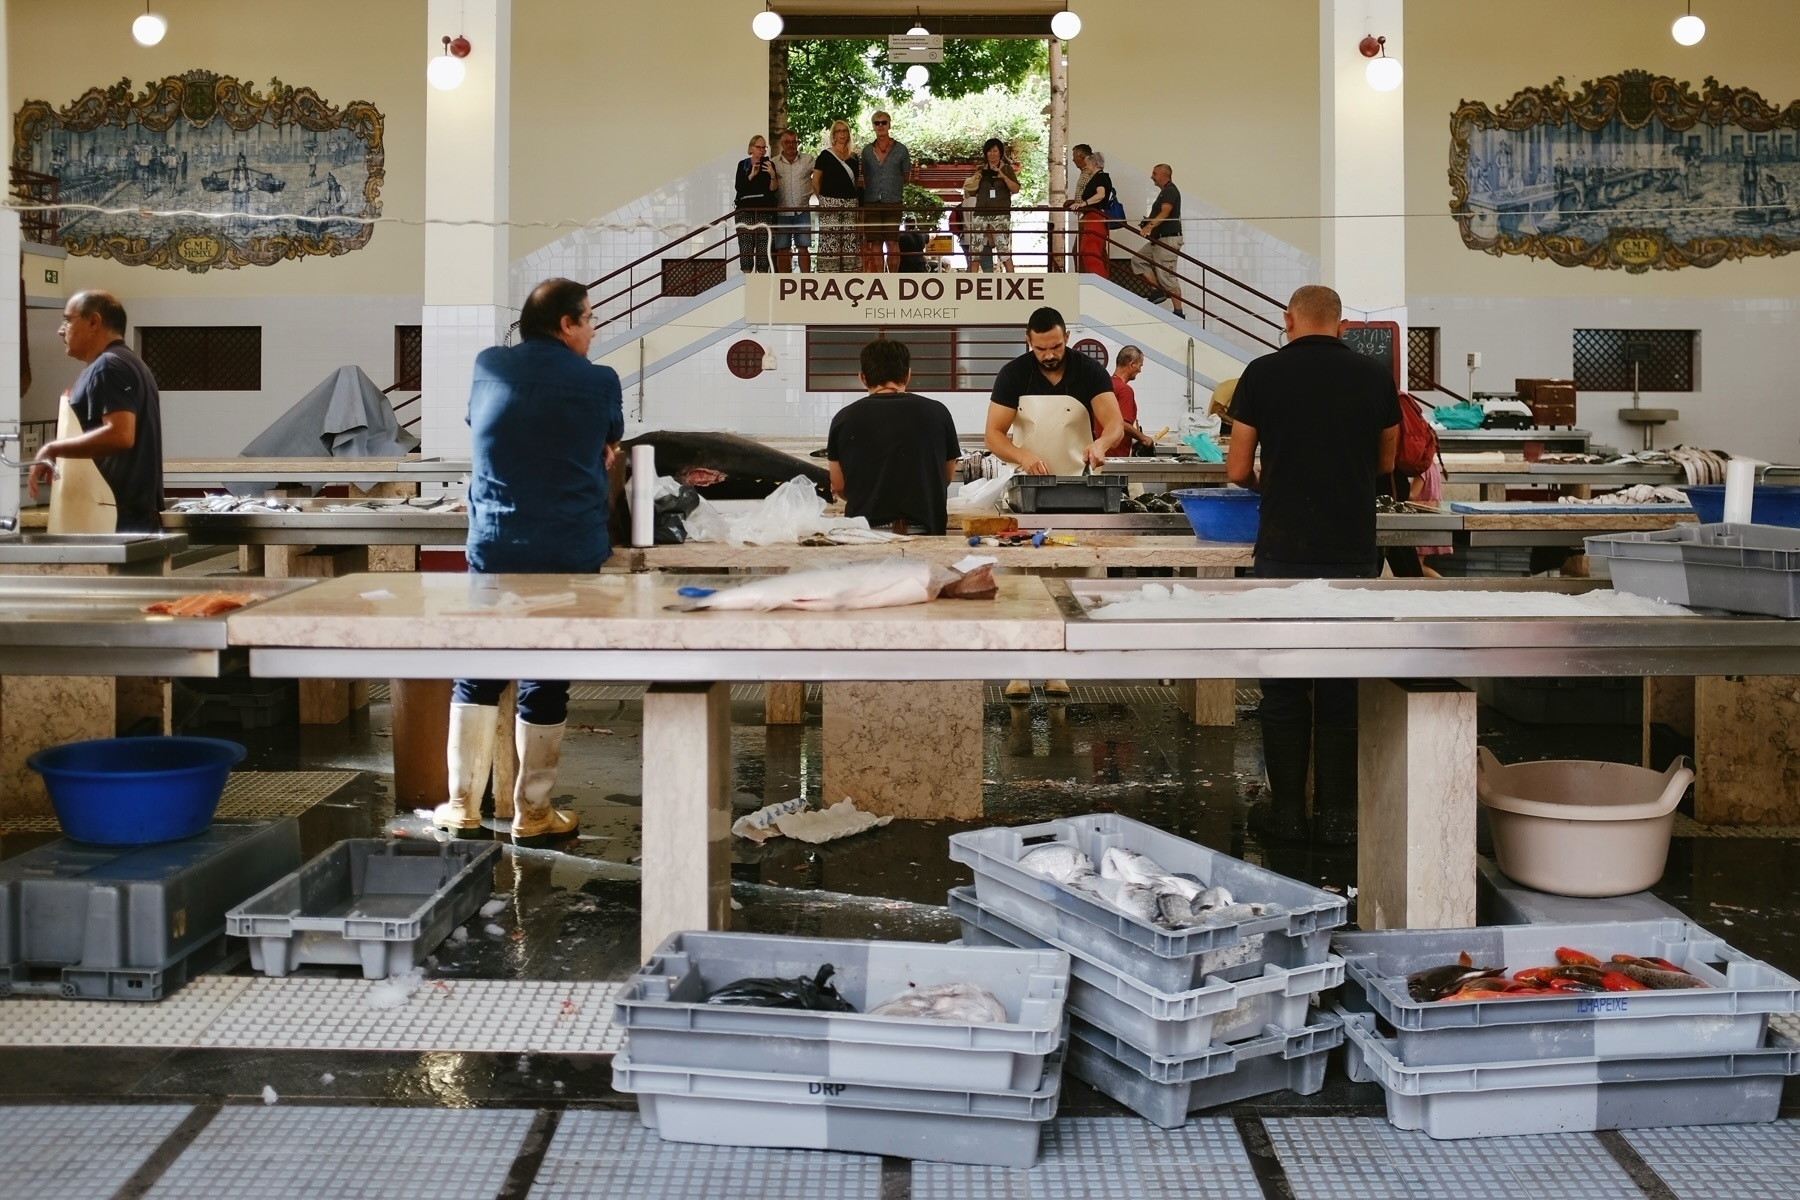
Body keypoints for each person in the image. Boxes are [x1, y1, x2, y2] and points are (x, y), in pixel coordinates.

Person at [435, 278, 625, 846]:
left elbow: (483, 423)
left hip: (497, 539)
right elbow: (609, 440)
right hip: (568, 547)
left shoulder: (489, 365)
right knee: (546, 677)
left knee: (478, 671)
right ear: (566, 324)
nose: (593, 330)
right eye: (589, 319)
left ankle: (461, 806)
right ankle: (532, 815)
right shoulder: (599, 380)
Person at [1225, 285, 1400, 846]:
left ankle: (1286, 816)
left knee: (1282, 687)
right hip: (1351, 547)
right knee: (1341, 685)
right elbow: (1388, 459)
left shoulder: (1260, 373)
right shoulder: (1374, 376)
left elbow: (1235, 469)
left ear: (1289, 320)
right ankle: (1340, 819)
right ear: (1342, 324)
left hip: (1282, 549)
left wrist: (1267, 484)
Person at [986, 306, 1125, 700]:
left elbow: (1113, 423)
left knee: (1067, 579)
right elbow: (994, 434)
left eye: (1057, 345)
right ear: (1029, 342)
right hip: (1027, 492)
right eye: (1042, 348)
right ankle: (1018, 670)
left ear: (1066, 337)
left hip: (1077, 491)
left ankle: (1058, 670)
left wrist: (1102, 443)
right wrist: (1022, 456)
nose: (1050, 354)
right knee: (1019, 582)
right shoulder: (1014, 374)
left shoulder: (1089, 371)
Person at [28, 290, 163, 533]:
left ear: (93, 321)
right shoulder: (127, 362)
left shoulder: (108, 366)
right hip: (122, 514)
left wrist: (52, 449)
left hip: (113, 518)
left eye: (67, 320)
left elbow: (120, 434)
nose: (61, 330)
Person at [826, 339, 959, 535]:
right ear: (907, 375)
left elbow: (838, 486)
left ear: (862, 377)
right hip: (925, 532)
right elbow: (945, 476)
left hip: (866, 534)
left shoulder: (843, 419)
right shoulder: (938, 413)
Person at [859, 111, 910, 271]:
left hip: (893, 201)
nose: (880, 125)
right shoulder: (866, 151)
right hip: (872, 201)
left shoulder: (901, 149)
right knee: (875, 242)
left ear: (889, 124)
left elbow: (906, 176)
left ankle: (892, 279)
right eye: (877, 123)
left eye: (884, 122)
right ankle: (880, 278)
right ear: (873, 126)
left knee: (892, 241)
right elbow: (865, 175)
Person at [1136, 164, 1186, 318]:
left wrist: (1149, 226)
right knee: (1138, 260)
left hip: (1168, 240)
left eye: (1155, 173)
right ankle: (1156, 291)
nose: (1152, 176)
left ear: (1165, 176)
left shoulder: (1170, 191)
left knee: (1167, 277)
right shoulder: (1164, 192)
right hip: (1158, 240)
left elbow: (1165, 212)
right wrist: (1149, 221)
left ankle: (1178, 312)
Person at [812, 119, 862, 273]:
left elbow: (855, 183)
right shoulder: (825, 155)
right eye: (838, 131)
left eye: (844, 131)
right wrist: (824, 200)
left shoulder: (854, 158)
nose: (842, 134)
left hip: (850, 202)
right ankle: (829, 274)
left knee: (849, 239)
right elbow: (815, 181)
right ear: (833, 135)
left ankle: (850, 273)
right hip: (829, 202)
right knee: (830, 240)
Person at [963, 137, 1019, 273]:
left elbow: (1015, 189)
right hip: (981, 213)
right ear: (985, 153)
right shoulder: (981, 170)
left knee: (1003, 249)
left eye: (995, 151)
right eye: (989, 151)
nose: (992, 154)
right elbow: (970, 190)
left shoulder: (1007, 169)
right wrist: (977, 177)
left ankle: (1013, 281)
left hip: (1000, 213)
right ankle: (972, 282)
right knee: (975, 250)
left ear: (1000, 153)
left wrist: (1003, 177)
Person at [769, 129, 815, 274]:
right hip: (781, 211)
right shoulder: (774, 162)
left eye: (793, 141)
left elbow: (821, 176)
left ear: (797, 142)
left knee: (803, 247)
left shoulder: (808, 160)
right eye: (787, 142)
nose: (790, 145)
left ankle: (806, 280)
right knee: (783, 248)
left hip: (803, 210)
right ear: (781, 143)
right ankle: (783, 280)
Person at [1098, 345, 1155, 457]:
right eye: (1140, 365)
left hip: (1099, 452)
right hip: (1117, 455)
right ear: (1132, 364)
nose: (1140, 370)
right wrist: (1143, 438)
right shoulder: (1124, 390)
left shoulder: (1103, 386)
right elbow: (1122, 423)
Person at [733, 134, 778, 273]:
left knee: (763, 251)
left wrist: (772, 175)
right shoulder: (744, 165)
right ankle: (747, 281)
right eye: (759, 147)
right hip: (745, 212)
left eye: (764, 148)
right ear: (751, 148)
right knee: (746, 248)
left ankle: (762, 283)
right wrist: (751, 175)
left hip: (764, 212)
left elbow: (774, 189)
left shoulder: (770, 165)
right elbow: (739, 188)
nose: (762, 151)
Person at [1069, 147, 1116, 277]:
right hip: (1093, 216)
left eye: (1088, 163)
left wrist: (1083, 203)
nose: (1087, 166)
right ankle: (1094, 280)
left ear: (1094, 164)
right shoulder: (1097, 177)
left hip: (1095, 217)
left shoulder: (1100, 177)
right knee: (1086, 250)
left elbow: (1101, 194)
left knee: (1091, 251)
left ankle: (1099, 282)